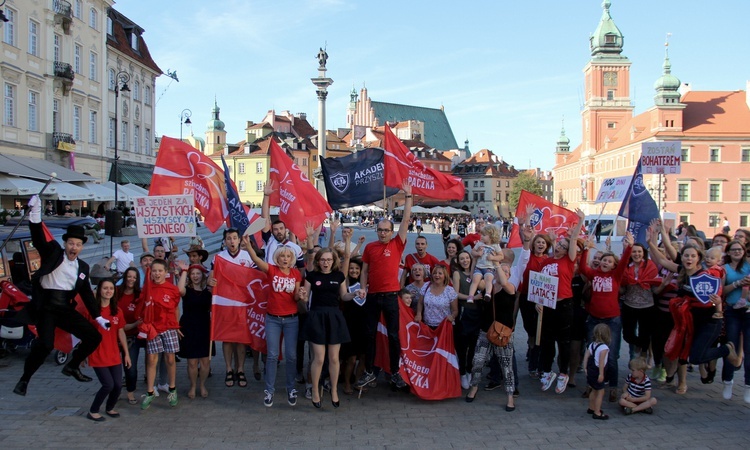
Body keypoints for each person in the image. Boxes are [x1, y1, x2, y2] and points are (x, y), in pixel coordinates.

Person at [13, 196, 106, 397]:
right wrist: (36, 211)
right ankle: (25, 378)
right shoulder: (54, 253)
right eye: (71, 243)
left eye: (78, 244)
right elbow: (38, 237)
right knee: (45, 345)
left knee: (94, 336)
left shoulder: (82, 267)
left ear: (82, 247)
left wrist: (97, 316)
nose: (74, 247)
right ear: (66, 244)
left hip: (64, 308)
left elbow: (87, 294)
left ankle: (72, 366)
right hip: (46, 307)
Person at [647, 226, 743, 394]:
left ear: (699, 258)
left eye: (692, 256)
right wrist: (651, 242)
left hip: (710, 320)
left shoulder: (706, 275)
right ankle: (684, 377)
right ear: (682, 258)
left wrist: (718, 304)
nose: (689, 258)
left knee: (697, 357)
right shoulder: (682, 271)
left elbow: (715, 298)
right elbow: (662, 261)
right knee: (690, 354)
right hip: (689, 321)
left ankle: (727, 349)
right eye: (686, 255)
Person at [354, 180, 413, 391]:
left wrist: (408, 197)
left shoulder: (398, 243)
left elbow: (406, 220)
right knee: (369, 334)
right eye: (380, 230)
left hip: (390, 296)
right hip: (372, 296)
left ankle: (395, 371)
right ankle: (369, 371)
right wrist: (363, 287)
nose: (382, 233)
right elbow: (365, 272)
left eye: (386, 230)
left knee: (394, 335)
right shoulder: (370, 247)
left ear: (391, 231)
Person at [245, 235, 303, 407]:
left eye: (288, 256)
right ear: (277, 258)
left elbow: (296, 296)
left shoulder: (296, 273)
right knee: (272, 355)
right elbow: (255, 258)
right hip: (273, 319)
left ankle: (290, 388)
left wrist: (300, 296)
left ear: (292, 259)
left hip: (292, 319)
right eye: (282, 256)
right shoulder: (271, 270)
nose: (285, 259)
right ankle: (269, 390)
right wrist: (248, 245)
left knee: (291, 356)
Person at [299, 243, 356, 409]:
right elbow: (305, 299)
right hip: (317, 317)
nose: (325, 263)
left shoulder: (339, 276)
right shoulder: (312, 276)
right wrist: (301, 296)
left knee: (334, 358)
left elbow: (344, 296)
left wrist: (355, 293)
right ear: (318, 261)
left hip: (334, 317)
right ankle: (315, 391)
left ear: (333, 261)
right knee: (319, 358)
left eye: (329, 260)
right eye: (323, 260)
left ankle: (334, 391)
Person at [579, 232, 633, 402]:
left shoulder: (615, 276)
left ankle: (613, 387)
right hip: (594, 318)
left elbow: (624, 262)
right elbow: (582, 268)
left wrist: (629, 247)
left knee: (612, 356)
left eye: (609, 261)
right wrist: (586, 249)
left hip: (612, 320)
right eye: (604, 260)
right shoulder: (594, 275)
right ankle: (591, 385)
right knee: (592, 353)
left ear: (613, 266)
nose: (605, 262)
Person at [538, 208, 585, 395]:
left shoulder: (568, 261)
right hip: (548, 305)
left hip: (564, 304)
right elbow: (539, 284)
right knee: (547, 341)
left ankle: (564, 373)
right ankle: (548, 372)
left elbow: (573, 241)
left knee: (564, 341)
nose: (559, 248)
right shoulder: (546, 262)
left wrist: (580, 221)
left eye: (563, 247)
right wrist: (538, 301)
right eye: (559, 245)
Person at [464, 262, 518, 412]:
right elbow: (473, 278)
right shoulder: (489, 288)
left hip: (503, 334)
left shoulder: (510, 288)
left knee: (506, 367)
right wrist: (477, 260)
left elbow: (505, 282)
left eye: (506, 271)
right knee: (477, 362)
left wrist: (497, 262)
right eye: (501, 271)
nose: (503, 274)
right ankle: (474, 387)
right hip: (485, 331)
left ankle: (510, 397)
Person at [207, 228, 255, 389]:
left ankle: (240, 369)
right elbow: (211, 276)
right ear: (225, 241)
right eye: (229, 238)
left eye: (235, 238)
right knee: (227, 338)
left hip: (242, 304)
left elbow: (255, 278)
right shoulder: (219, 258)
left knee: (241, 338)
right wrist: (210, 281)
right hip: (225, 303)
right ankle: (229, 368)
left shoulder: (248, 257)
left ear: (239, 240)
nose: (232, 241)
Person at [82, 279, 131, 421]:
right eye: (105, 288)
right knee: (108, 384)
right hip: (97, 353)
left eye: (111, 288)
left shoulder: (117, 311)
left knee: (117, 385)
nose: (108, 291)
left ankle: (109, 407)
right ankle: (93, 410)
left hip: (114, 353)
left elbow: (121, 332)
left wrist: (126, 354)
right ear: (99, 290)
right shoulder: (91, 311)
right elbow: (83, 332)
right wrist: (81, 354)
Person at [139, 259, 182, 410]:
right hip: (153, 328)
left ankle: (172, 388)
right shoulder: (147, 288)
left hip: (169, 327)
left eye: (160, 271)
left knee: (170, 358)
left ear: (165, 272)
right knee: (152, 359)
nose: (157, 274)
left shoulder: (172, 289)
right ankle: (150, 391)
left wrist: (176, 326)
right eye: (154, 271)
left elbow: (176, 308)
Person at [177, 261, 212, 399]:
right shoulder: (186, 290)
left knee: (205, 361)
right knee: (192, 361)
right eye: (193, 274)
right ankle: (192, 385)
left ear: (202, 276)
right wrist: (184, 271)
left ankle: (202, 384)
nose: (196, 276)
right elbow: (179, 291)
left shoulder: (208, 292)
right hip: (189, 327)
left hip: (204, 327)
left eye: (198, 274)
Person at [720, 240, 750, 403]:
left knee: (749, 350)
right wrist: (738, 283)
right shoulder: (724, 269)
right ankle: (728, 381)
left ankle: (748, 386)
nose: (737, 252)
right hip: (732, 310)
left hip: (748, 310)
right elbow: (722, 290)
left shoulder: (748, 265)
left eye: (740, 249)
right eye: (734, 249)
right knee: (731, 347)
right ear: (729, 252)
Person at [117, 267, 142, 405]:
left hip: (132, 337)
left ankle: (131, 393)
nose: (131, 279)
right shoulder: (116, 292)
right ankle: (115, 392)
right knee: (114, 367)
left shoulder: (139, 295)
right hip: (115, 336)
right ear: (125, 277)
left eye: (134, 277)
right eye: (129, 276)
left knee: (130, 367)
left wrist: (132, 326)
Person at [341, 257, 367, 395]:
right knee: (350, 358)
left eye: (357, 268)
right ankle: (347, 383)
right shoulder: (345, 283)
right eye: (351, 268)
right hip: (349, 324)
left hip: (363, 324)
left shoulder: (365, 284)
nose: (354, 271)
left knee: (363, 356)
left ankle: (358, 381)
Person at [466, 224, 503, 303]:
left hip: (489, 267)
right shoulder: (479, 244)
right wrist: (477, 254)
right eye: (481, 234)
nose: (481, 236)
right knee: (475, 280)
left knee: (488, 279)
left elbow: (501, 256)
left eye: (484, 235)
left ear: (491, 236)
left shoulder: (495, 246)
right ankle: (471, 296)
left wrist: (493, 258)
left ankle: (488, 293)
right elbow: (472, 251)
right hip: (479, 267)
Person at [583, 323, 612, 420]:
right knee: (600, 391)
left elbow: (586, 357)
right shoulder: (604, 348)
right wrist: (601, 374)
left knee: (593, 390)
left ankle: (591, 408)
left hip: (591, 370)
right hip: (597, 371)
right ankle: (597, 412)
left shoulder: (591, 345)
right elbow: (601, 362)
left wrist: (585, 368)